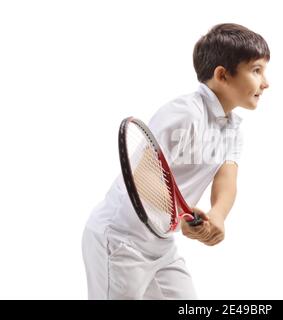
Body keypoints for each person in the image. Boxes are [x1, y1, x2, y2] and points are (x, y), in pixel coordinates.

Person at [82, 23, 270, 299]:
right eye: (256, 70)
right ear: (223, 75)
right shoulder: (184, 114)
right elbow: (144, 174)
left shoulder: (233, 128)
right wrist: (179, 214)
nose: (265, 82)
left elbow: (226, 178)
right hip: (120, 240)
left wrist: (217, 216)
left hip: (161, 245)